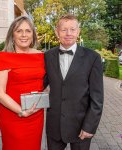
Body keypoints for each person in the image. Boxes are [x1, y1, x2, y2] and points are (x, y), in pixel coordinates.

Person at [44, 14, 104, 150]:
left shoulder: (93, 57)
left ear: (78, 31)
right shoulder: (47, 56)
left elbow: (97, 98)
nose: (68, 33)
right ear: (57, 32)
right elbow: (39, 83)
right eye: (64, 29)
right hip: (54, 126)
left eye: (72, 29)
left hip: (81, 126)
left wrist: (90, 126)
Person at [0, 16, 45, 150]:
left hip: (36, 115)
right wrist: (21, 111)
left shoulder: (41, 56)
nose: (24, 35)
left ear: (33, 34)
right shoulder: (3, 57)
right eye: (19, 31)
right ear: (12, 34)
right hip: (13, 115)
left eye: (28, 31)